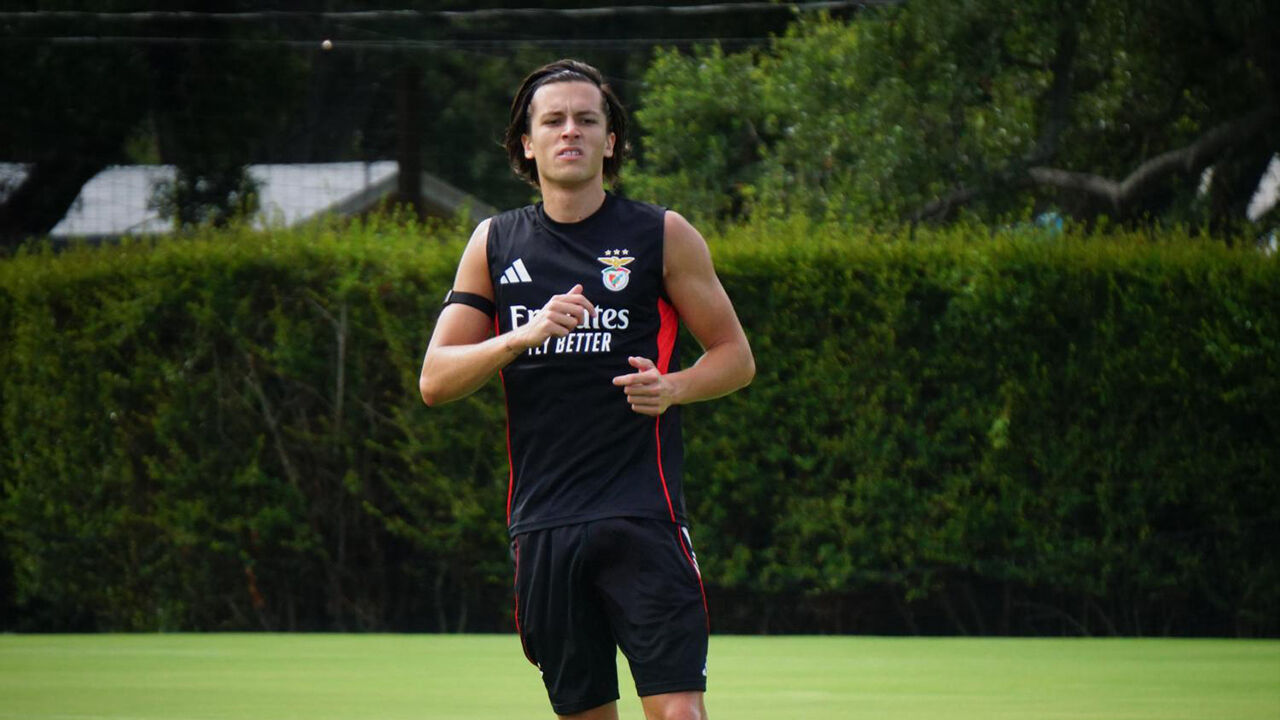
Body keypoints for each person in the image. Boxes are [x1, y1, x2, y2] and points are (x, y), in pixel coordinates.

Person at [419, 58, 754, 720]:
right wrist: (522, 336)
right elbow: (435, 378)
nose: (569, 130)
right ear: (526, 142)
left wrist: (676, 387)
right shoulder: (493, 242)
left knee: (680, 713)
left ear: (611, 141)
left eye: (586, 119)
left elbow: (736, 356)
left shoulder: (661, 234)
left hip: (643, 516)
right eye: (553, 120)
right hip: (545, 523)